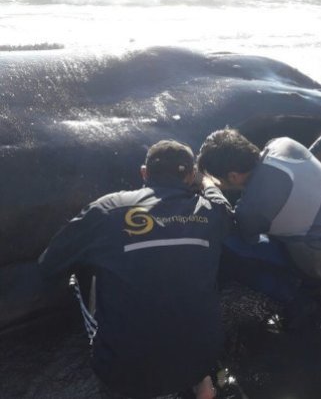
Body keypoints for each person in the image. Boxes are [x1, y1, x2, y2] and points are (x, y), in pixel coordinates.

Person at [38, 140, 233, 399]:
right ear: (190, 176)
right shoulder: (212, 212)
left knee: (84, 270)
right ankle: (201, 381)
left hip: (125, 374)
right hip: (201, 359)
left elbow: (49, 264)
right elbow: (223, 206)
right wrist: (206, 182)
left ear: (144, 172)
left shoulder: (108, 208)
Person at [197, 129, 321, 290]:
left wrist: (209, 187)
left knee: (232, 240)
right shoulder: (283, 143)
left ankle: (295, 292)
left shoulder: (253, 209)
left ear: (233, 176)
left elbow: (246, 234)